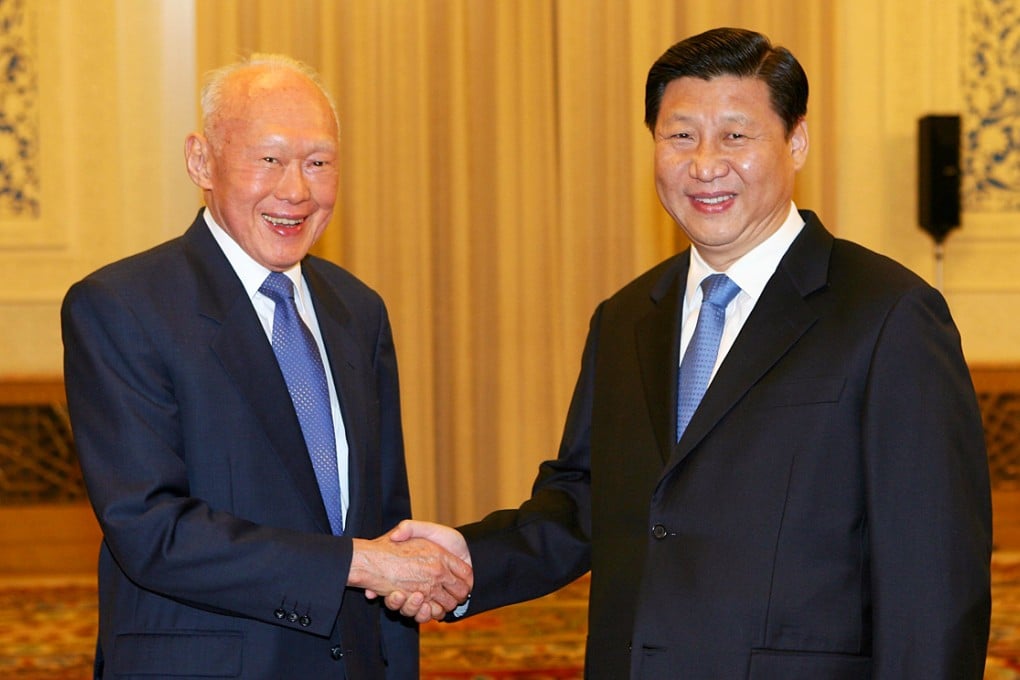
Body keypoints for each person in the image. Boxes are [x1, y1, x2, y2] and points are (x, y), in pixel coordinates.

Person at [386, 27, 992, 679]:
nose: (705, 164)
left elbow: (934, 575)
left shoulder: (886, 313)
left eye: (736, 135)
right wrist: (470, 558)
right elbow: (591, 499)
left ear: (796, 142)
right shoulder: (625, 319)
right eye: (680, 136)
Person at [61, 54, 471, 679]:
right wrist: (356, 564)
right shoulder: (124, 306)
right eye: (269, 159)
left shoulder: (356, 310)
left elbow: (384, 518)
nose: (296, 190)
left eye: (319, 162)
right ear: (201, 161)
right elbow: (150, 530)